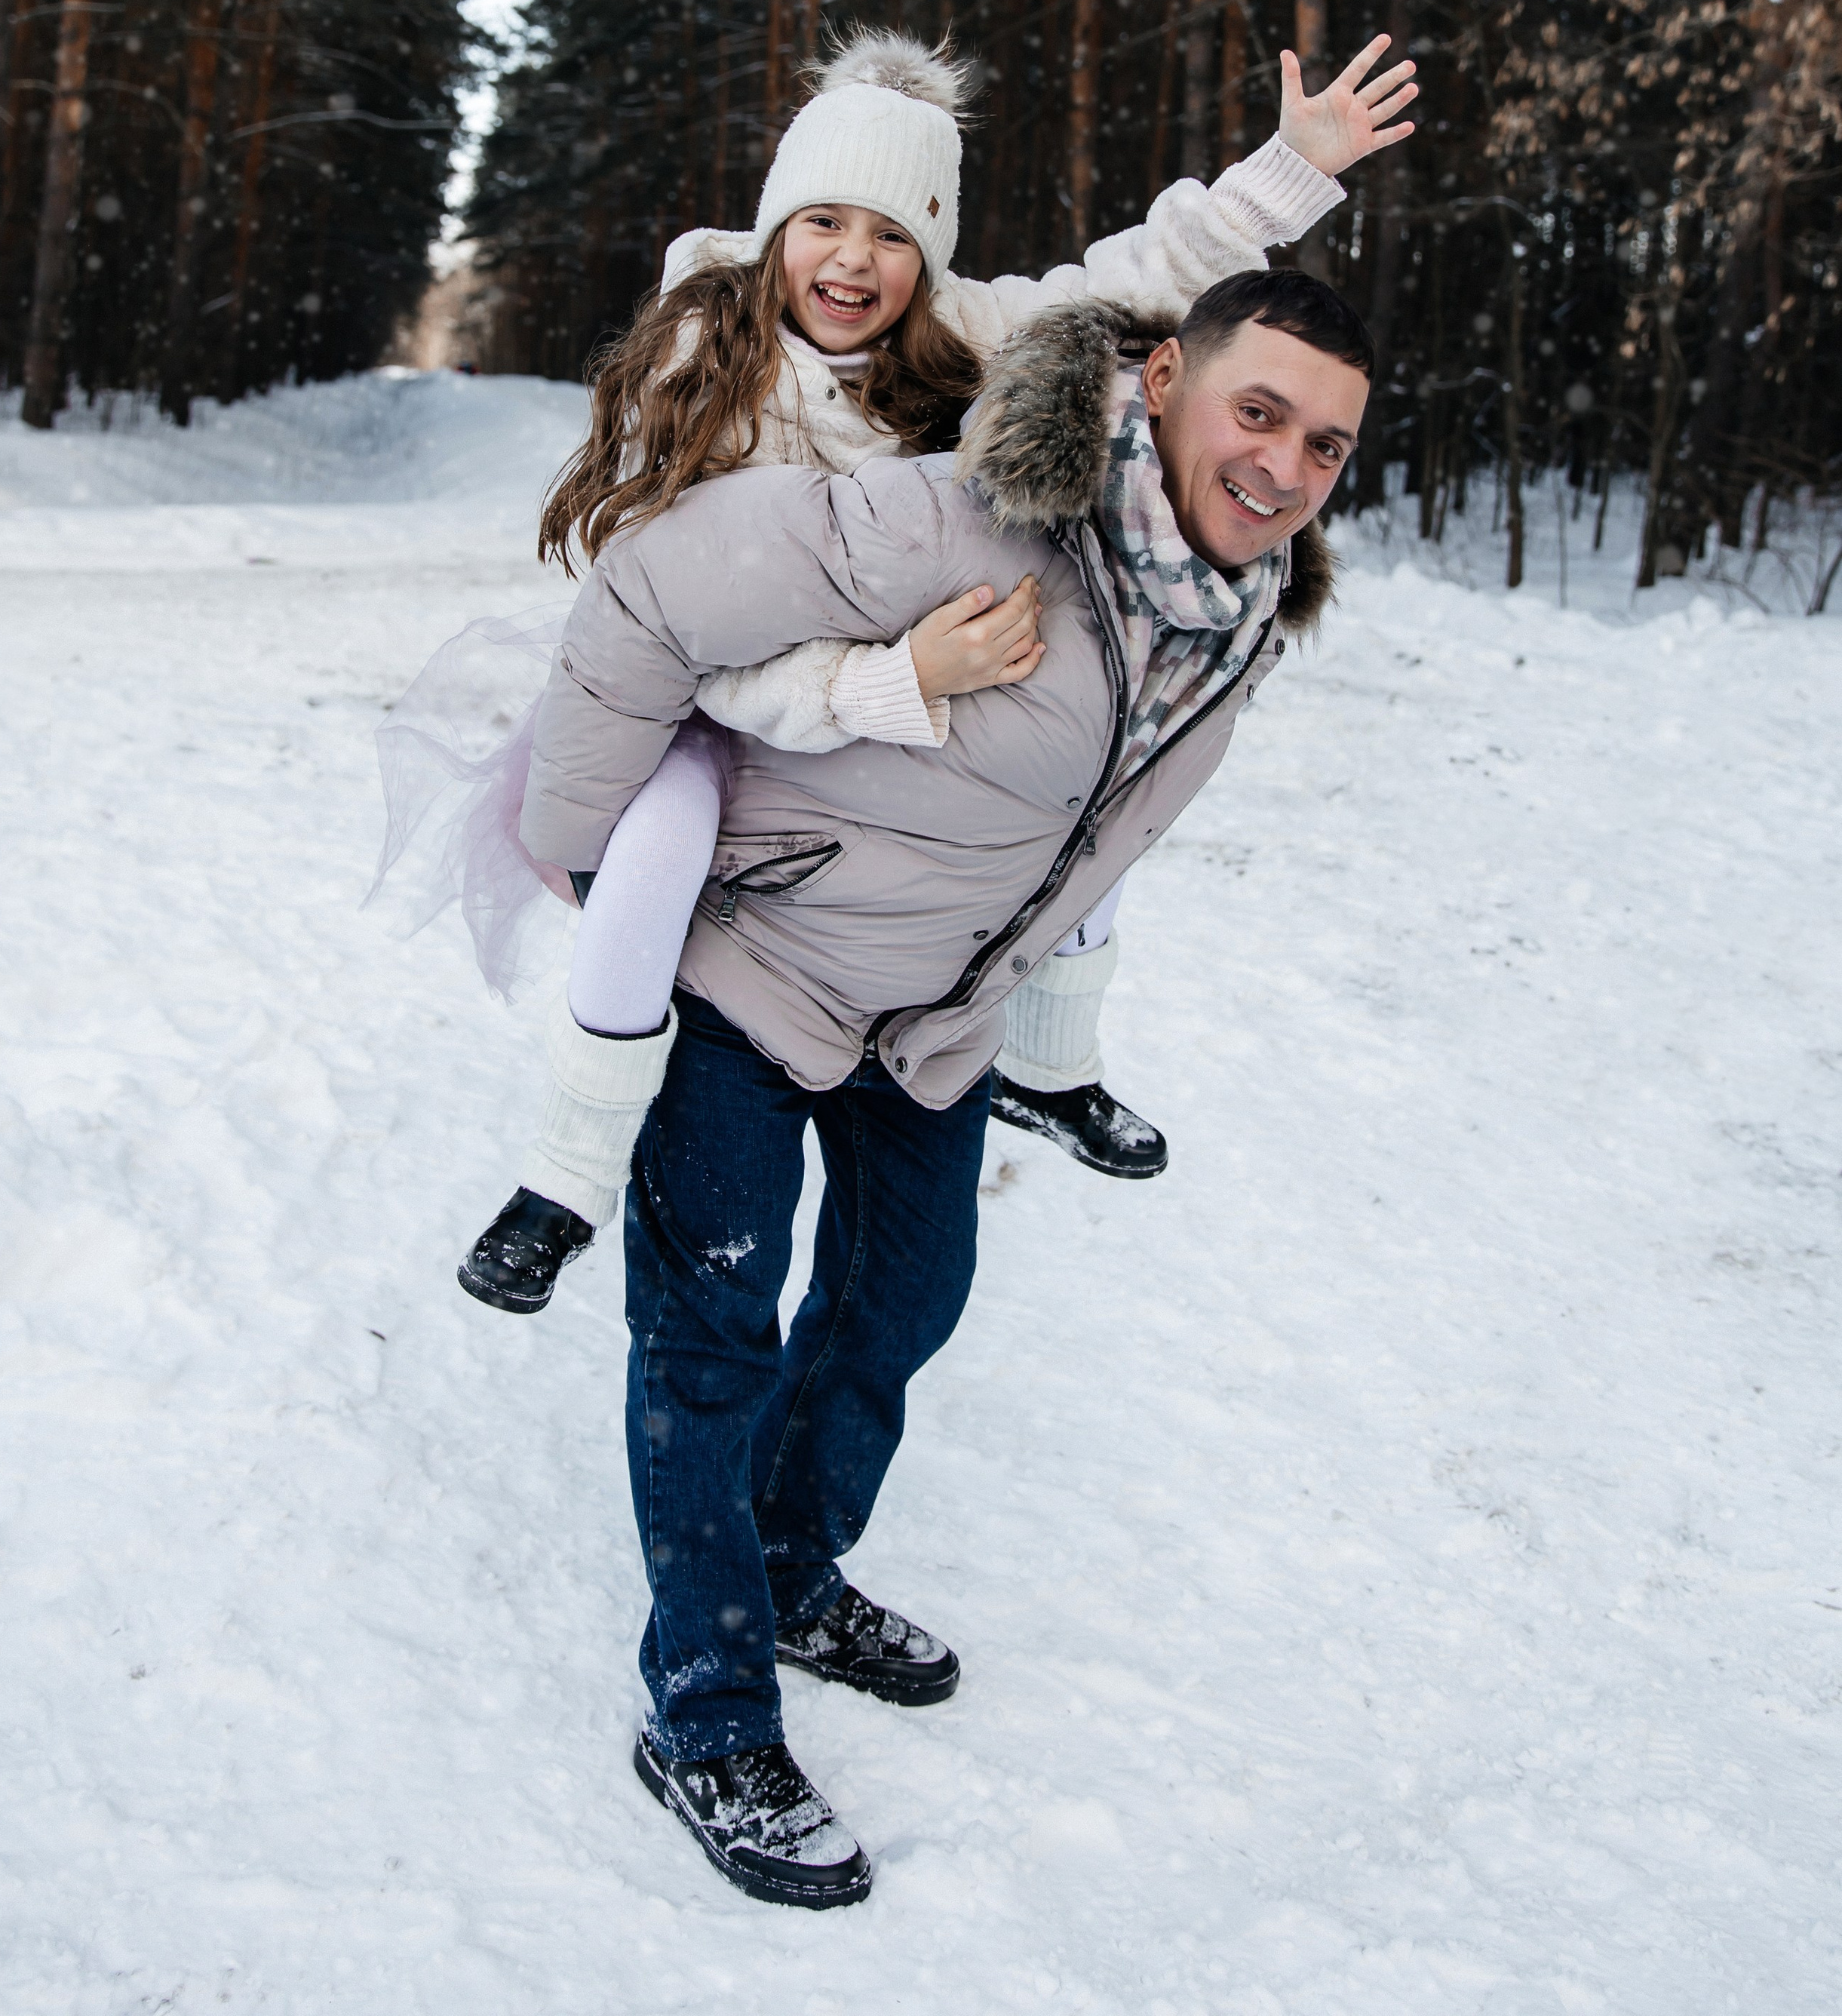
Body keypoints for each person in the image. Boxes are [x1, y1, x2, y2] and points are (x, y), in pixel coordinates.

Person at [515, 262, 1377, 1906]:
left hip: (931, 1019)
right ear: (1164, 379)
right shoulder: (964, 518)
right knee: (709, 1332)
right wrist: (573, 841)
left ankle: (786, 1564)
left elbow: (1095, 834)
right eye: (1254, 412)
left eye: (1325, 446)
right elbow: (645, 590)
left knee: (904, 1301)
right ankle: (702, 1711)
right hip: (754, 968)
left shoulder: (1238, 621)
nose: (1279, 467)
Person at [457, 29, 1415, 1314]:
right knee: (658, 849)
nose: (855, 261)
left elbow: (1142, 273)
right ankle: (564, 1175)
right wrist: (888, 679)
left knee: (1089, 794)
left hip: (902, 681)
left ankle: (1052, 1062)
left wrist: (1287, 173)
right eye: (825, 222)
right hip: (717, 688)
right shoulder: (707, 367)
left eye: (895, 235)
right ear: (772, 226)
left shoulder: (962, 331)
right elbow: (673, 613)